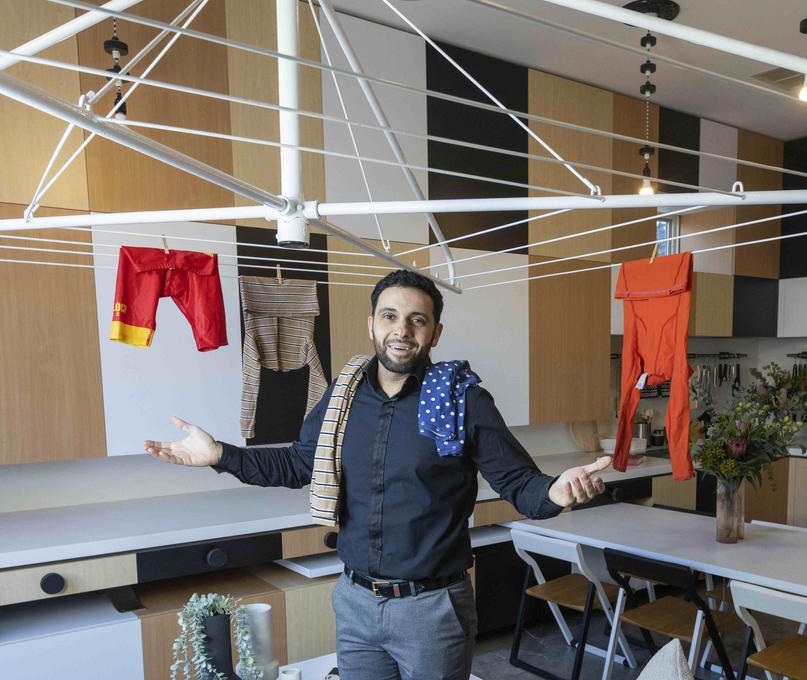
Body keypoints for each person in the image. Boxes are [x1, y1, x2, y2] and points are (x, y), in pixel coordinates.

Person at [144, 269, 612, 680]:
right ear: (371, 324)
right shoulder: (342, 398)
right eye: (389, 316)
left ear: (435, 332)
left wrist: (558, 490)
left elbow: (520, 485)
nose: (401, 330)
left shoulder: (462, 401)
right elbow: (296, 464)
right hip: (354, 601)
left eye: (417, 319)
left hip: (432, 609)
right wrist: (220, 454)